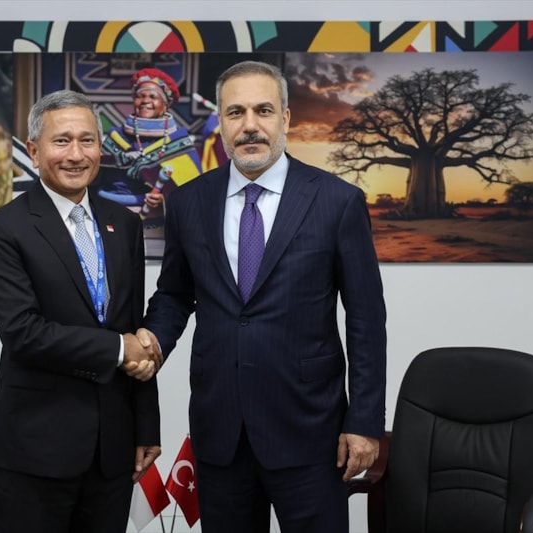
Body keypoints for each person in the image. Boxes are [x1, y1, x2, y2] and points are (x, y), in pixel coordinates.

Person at [140, 61, 387, 532]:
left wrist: (364, 421)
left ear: (286, 118)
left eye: (263, 110)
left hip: (312, 432)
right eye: (236, 112)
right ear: (221, 122)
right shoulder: (188, 202)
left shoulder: (337, 202)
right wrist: (150, 342)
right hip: (221, 432)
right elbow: (174, 295)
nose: (250, 125)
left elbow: (366, 320)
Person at [0, 89, 162, 533]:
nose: (76, 155)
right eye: (61, 141)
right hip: (35, 452)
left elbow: (133, 324)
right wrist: (119, 349)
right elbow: (23, 333)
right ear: (34, 150)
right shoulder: (3, 229)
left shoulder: (125, 224)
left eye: (87, 140)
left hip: (112, 452)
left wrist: (146, 426)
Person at [97, 67, 202, 226]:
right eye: (140, 96)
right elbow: (95, 177)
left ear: (165, 105)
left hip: (156, 222)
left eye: (153, 96)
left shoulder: (178, 141)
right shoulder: (116, 136)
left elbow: (191, 191)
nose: (145, 101)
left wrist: (163, 198)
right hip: (110, 216)